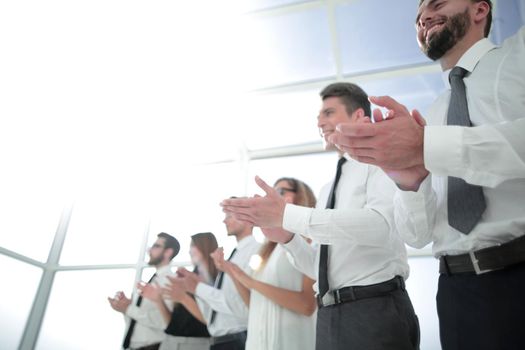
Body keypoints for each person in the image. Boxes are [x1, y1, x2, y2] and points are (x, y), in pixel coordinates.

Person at [329, 1, 525, 349]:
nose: (423, 15)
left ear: (480, 9)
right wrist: (410, 181)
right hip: (456, 292)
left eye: (438, 2)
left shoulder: (518, 56)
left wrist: (428, 145)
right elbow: (417, 234)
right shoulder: (434, 113)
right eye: (418, 14)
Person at [221, 82, 419, 350]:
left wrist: (290, 215)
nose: (319, 121)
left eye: (328, 113)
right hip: (328, 314)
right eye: (319, 115)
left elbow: (382, 227)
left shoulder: (381, 163)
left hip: (374, 307)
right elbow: (319, 266)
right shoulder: (328, 189)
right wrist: (287, 236)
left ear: (359, 116)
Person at [215, 177, 317, 350]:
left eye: (281, 192)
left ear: (301, 197)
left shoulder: (308, 240)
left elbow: (307, 305)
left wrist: (250, 282)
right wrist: (233, 272)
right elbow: (253, 303)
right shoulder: (265, 251)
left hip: (290, 343)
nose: (272, 197)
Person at [171, 207, 261, 350]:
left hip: (236, 339)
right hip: (221, 340)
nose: (224, 220)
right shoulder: (234, 255)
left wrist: (197, 288)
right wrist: (196, 286)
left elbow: (241, 305)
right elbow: (215, 311)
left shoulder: (255, 252)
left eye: (230, 216)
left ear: (249, 220)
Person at [139, 232, 219, 350]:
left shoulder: (218, 279)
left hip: (196, 344)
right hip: (170, 342)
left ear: (205, 246)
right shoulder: (186, 278)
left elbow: (211, 319)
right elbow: (172, 323)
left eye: (193, 246)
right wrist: (158, 300)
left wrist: (182, 297)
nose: (190, 251)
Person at [108, 232, 180, 350]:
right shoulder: (152, 281)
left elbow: (164, 321)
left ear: (168, 252)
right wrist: (124, 307)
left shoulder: (170, 282)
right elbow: (138, 320)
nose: (149, 250)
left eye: (156, 246)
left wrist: (129, 309)